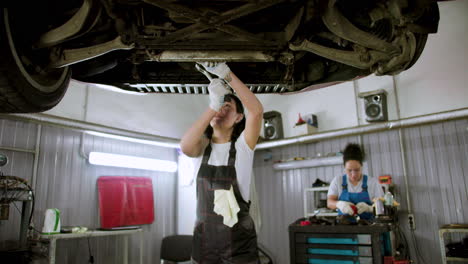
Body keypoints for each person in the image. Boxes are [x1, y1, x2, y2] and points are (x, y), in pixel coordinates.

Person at [180, 62, 263, 264]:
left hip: (239, 250)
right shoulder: (201, 148)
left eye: (227, 107)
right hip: (204, 248)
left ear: (238, 117)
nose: (220, 111)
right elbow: (185, 146)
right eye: (219, 107)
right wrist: (213, 105)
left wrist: (226, 74)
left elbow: (257, 111)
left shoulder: (243, 147)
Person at [327, 143, 384, 221]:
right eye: (349, 170)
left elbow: (382, 207)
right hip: (344, 228)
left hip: (368, 227)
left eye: (357, 170)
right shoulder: (338, 181)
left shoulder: (372, 183)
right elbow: (329, 202)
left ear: (362, 166)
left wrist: (369, 208)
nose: (353, 175)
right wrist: (339, 204)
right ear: (344, 167)